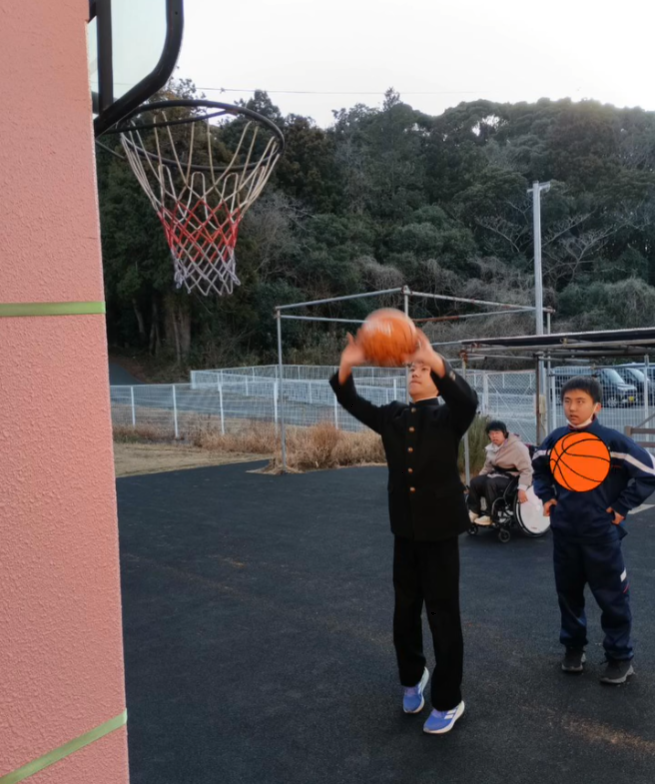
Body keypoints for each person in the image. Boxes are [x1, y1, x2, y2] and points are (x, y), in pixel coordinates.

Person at [329, 329, 478, 734]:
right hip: (405, 533)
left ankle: (449, 700)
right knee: (405, 612)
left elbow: (468, 400)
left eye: (422, 369)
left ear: (438, 379)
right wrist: (348, 363)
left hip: (440, 534)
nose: (415, 371)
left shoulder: (449, 416)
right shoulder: (393, 416)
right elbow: (351, 400)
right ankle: (413, 678)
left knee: (442, 616)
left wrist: (435, 358)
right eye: (411, 367)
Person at [532, 376, 655, 684]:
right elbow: (538, 468)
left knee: (612, 598)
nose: (572, 408)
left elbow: (649, 472)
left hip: (602, 536)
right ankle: (574, 649)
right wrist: (546, 496)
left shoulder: (613, 442)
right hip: (565, 534)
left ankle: (620, 657)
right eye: (567, 402)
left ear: (596, 407)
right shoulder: (555, 440)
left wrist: (622, 506)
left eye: (580, 402)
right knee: (568, 596)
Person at [467, 420, 533, 526]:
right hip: (497, 475)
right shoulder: (492, 448)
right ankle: (474, 512)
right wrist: (478, 482)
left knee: (491, 483)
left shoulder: (518, 447)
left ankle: (491, 516)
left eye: (497, 433)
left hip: (513, 478)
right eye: (491, 433)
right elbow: (487, 467)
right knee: (475, 482)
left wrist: (522, 489)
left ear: (504, 433)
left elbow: (527, 470)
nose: (494, 436)